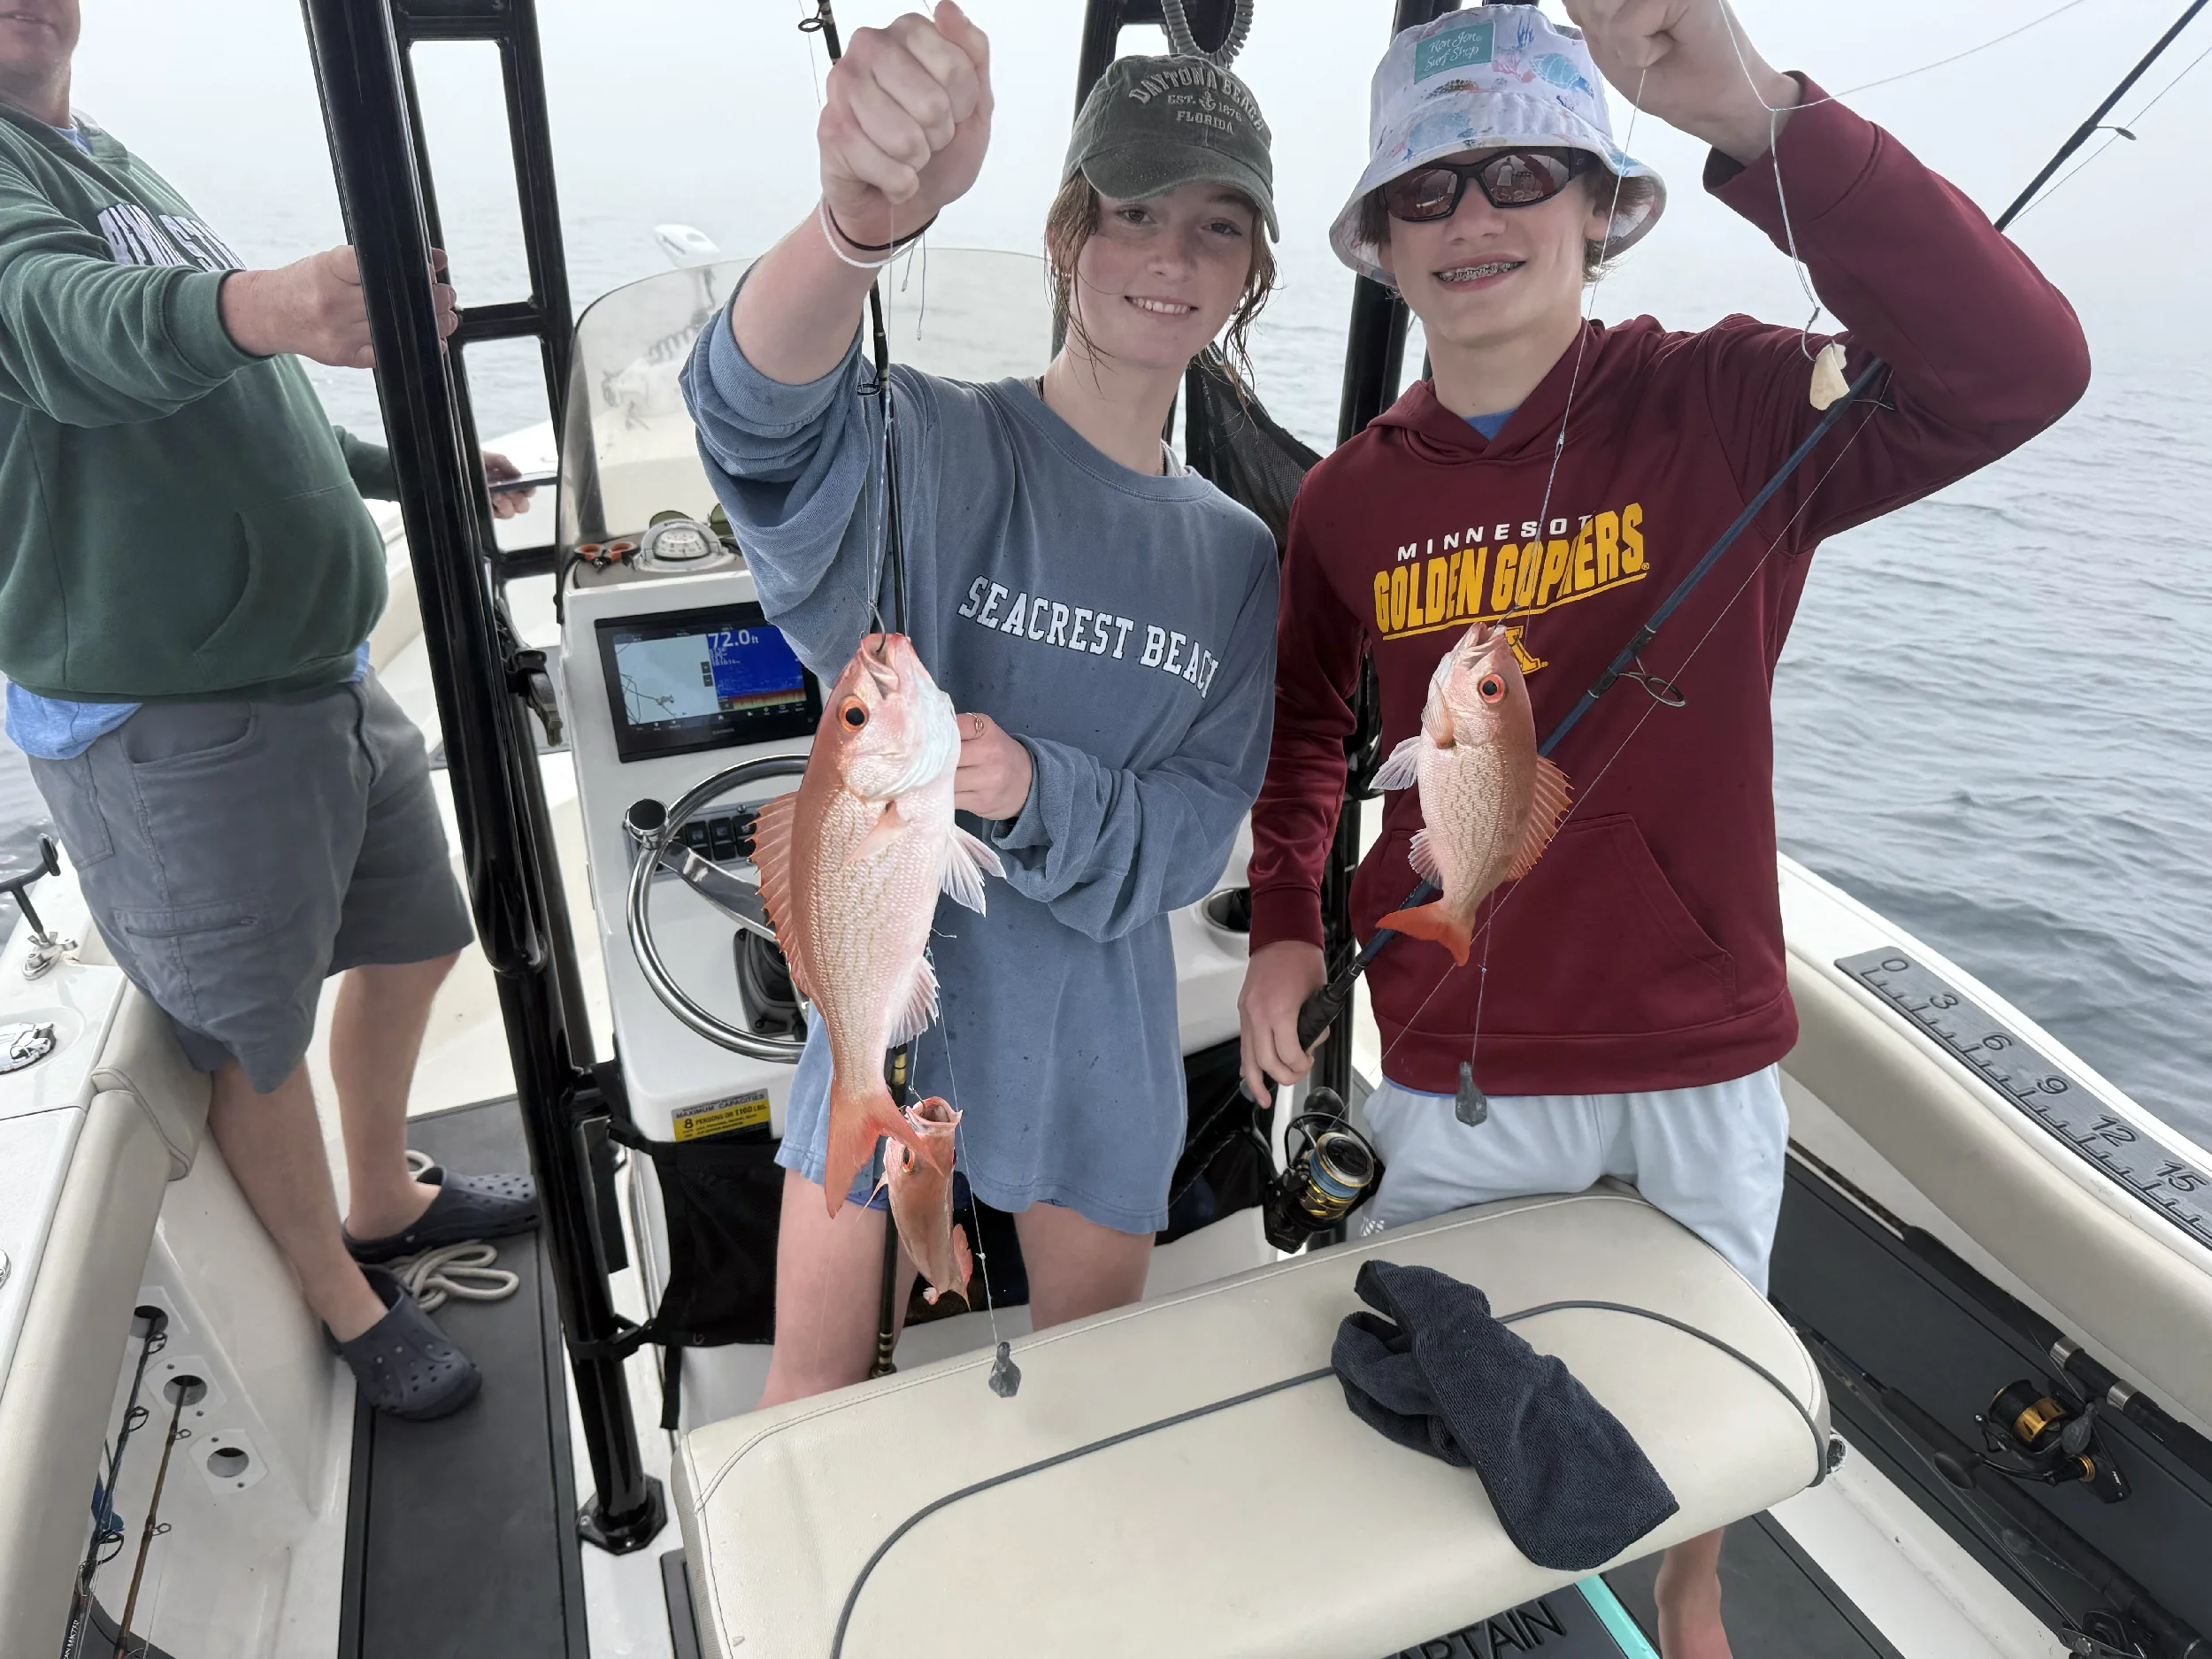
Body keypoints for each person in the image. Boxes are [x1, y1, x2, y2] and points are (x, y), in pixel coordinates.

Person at [1237, 3, 2086, 1653]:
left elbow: (2019, 367)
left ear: (1602, 203)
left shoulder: (1738, 407)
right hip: (1464, 1065)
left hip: (1700, 1061)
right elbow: (1303, 737)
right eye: (1429, 189)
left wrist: (1757, 115)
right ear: (1383, 241)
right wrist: (1286, 919)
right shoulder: (1348, 498)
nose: (1475, 219)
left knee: (1710, 1426)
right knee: (1455, 1434)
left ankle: (1694, 1598)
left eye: (1521, 172)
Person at [683, 1, 1280, 1407]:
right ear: (1068, 234)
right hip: (890, 1020)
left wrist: (1034, 787)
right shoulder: (934, 441)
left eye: (1216, 227)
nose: (1169, 257)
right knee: (808, 1410)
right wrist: (854, 232)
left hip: (1098, 1043)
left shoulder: (1239, 556)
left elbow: (1196, 834)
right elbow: (749, 417)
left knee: (1085, 1407)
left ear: (1252, 271)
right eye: (1134, 212)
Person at [0, 0, 543, 1420]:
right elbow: (78, 333)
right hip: (170, 704)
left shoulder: (100, 155)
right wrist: (277, 302)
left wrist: (398, 460)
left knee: (422, 934)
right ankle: (343, 1296)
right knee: (254, 1036)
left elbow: (238, 407)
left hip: (313, 669)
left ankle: (381, 1194)